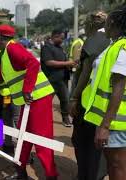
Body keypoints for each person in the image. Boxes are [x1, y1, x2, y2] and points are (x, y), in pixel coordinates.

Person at [0, 24, 58, 180]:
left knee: (41, 140)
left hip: (38, 98)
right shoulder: (5, 53)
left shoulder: (13, 49)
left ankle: (51, 175)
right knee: (22, 138)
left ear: (0, 38)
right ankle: (21, 173)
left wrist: (27, 89)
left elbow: (33, 64)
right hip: (28, 101)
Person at [80, 6, 126, 180]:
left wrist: (105, 126)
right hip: (112, 121)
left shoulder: (123, 48)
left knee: (117, 165)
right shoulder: (115, 45)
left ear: (113, 23)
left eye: (105, 24)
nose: (103, 28)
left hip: (117, 123)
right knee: (112, 164)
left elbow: (119, 87)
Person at [69, 11, 110, 180]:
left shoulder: (94, 41)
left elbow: (84, 73)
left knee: (83, 142)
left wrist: (74, 98)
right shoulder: (115, 41)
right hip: (109, 104)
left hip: (89, 104)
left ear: (91, 24)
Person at [40, 29, 77, 127]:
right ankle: (43, 120)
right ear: (55, 36)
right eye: (61, 38)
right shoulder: (46, 48)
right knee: (46, 102)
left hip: (62, 80)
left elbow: (63, 61)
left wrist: (69, 65)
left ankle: (65, 119)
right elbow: (49, 62)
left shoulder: (60, 48)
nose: (62, 41)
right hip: (51, 80)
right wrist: (67, 63)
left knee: (65, 100)